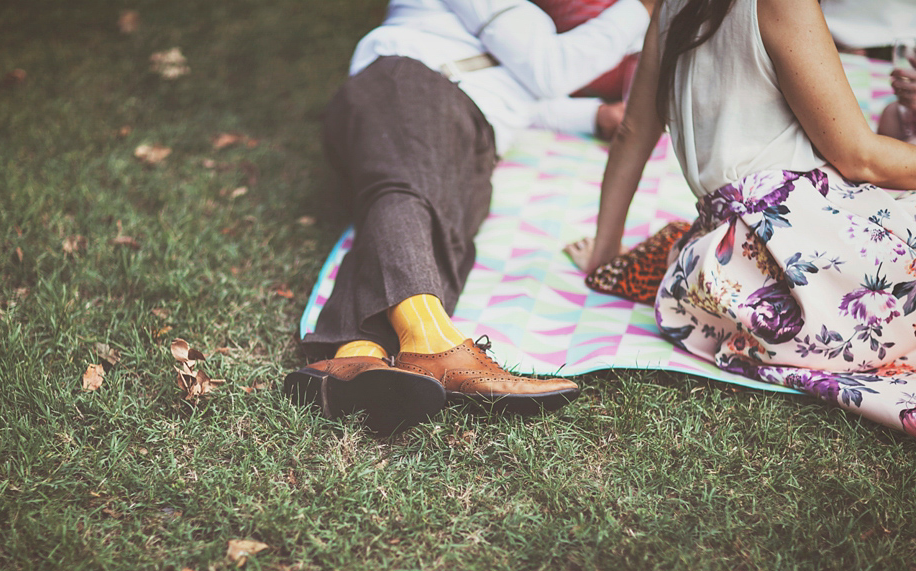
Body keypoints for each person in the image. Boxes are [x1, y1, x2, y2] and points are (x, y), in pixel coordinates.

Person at [285, 0, 656, 435]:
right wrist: (644, 9)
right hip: (412, 83)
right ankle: (433, 345)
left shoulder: (526, 22)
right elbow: (550, 70)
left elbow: (521, 91)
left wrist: (592, 115)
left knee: (445, 237)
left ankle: (352, 357)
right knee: (407, 193)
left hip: (473, 126)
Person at [569, 0, 916, 434]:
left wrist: (604, 257)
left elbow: (632, 133)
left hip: (719, 283)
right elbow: (861, 159)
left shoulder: (671, 7)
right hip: (807, 266)